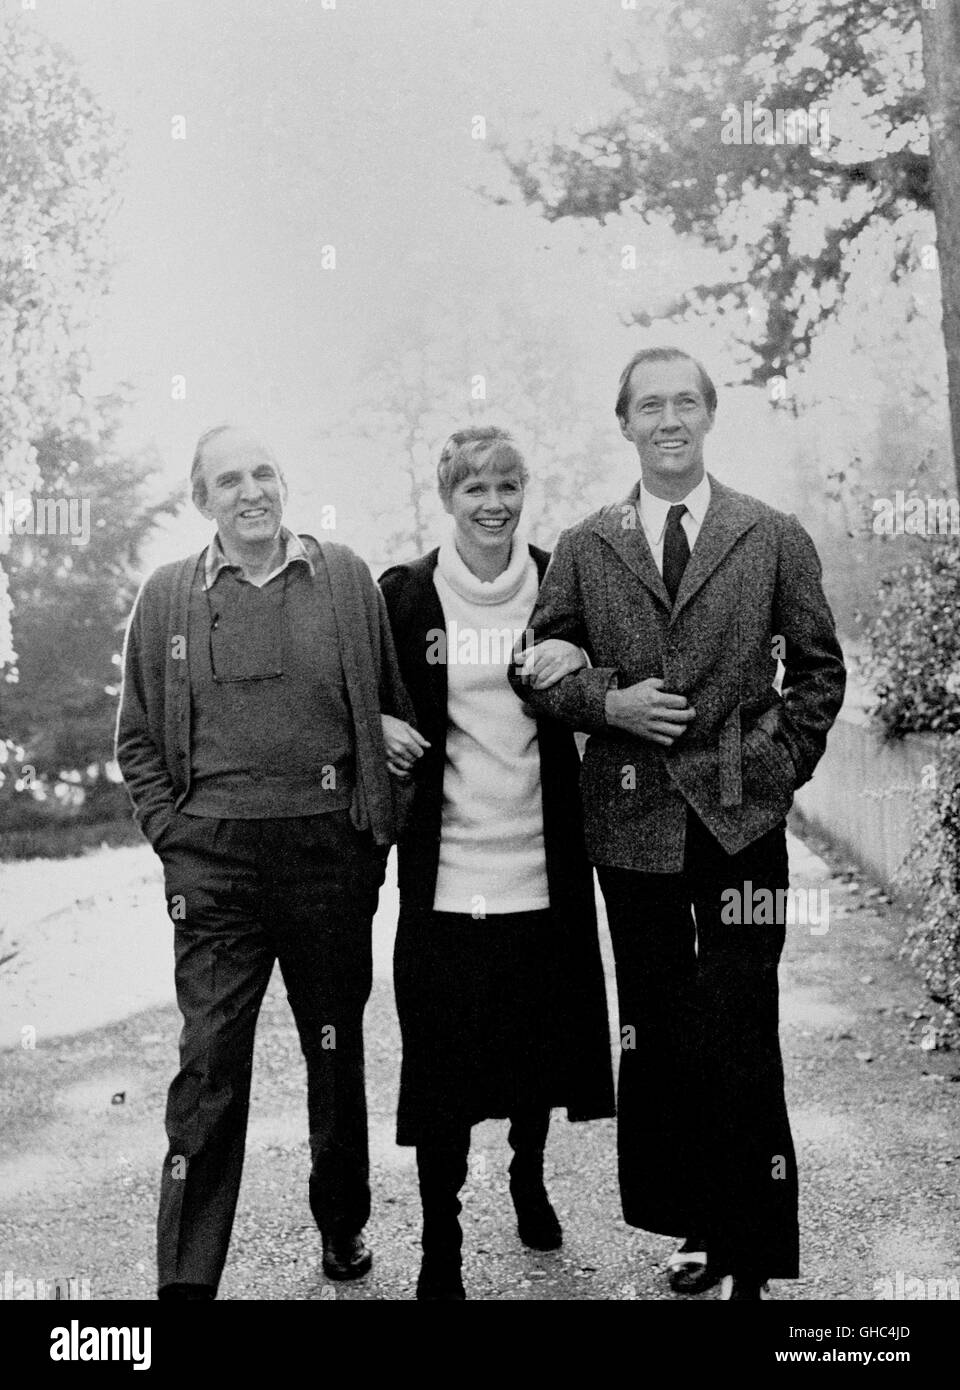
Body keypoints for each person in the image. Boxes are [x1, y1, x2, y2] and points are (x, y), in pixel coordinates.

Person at [511, 349, 846, 1300]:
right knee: (661, 1029)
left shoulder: (771, 534)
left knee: (743, 1021)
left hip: (741, 825)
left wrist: (771, 769)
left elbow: (819, 674)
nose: (669, 420)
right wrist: (607, 703)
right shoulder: (586, 542)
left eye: (684, 404)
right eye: (649, 406)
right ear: (624, 423)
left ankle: (757, 1251)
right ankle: (699, 1225)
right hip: (631, 828)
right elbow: (532, 665)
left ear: (709, 416)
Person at [116, 425, 414, 1299]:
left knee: (334, 1050)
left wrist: (369, 827)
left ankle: (342, 1223)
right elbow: (137, 737)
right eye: (228, 480)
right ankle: (186, 1281)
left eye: (264, 473)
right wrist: (178, 837)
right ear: (200, 499)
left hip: (327, 853)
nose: (251, 491)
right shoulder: (168, 596)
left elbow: (388, 708)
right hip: (214, 864)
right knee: (209, 1065)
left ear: (284, 484)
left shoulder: (344, 578)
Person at [379, 426, 615, 1301]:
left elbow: (611, 679)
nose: (493, 504)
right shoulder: (403, 595)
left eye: (508, 487)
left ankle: (527, 1171)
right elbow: (359, 691)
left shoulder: (564, 583)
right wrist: (374, 725)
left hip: (544, 870)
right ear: (448, 498)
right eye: (475, 489)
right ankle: (441, 1240)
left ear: (525, 493)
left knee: (534, 1058)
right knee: (441, 1075)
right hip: (444, 880)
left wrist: (584, 657)